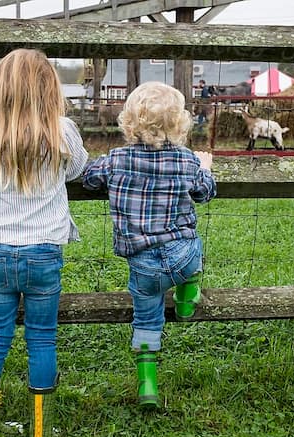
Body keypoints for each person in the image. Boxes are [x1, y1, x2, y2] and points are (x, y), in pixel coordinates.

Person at [0, 48, 89, 437]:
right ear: (49, 88)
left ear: (1, 89)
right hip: (45, 252)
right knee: (42, 340)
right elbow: (79, 168)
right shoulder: (62, 131)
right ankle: (41, 436)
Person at [82, 81, 217, 408]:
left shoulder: (116, 159)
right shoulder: (186, 161)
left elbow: (88, 179)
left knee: (146, 321)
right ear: (179, 123)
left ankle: (147, 384)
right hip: (182, 255)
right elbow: (204, 193)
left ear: (129, 122)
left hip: (143, 265)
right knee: (194, 243)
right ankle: (187, 297)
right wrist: (205, 167)